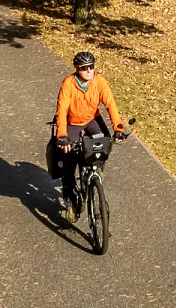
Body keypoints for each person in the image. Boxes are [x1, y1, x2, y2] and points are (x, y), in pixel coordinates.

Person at [54, 51, 127, 215]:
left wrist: (119, 128)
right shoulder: (68, 84)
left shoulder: (100, 82)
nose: (88, 71)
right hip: (72, 122)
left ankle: (95, 172)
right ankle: (69, 194)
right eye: (84, 68)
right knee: (68, 158)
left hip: (91, 119)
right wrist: (62, 135)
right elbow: (62, 110)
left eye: (91, 67)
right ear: (76, 69)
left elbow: (111, 105)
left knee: (104, 142)